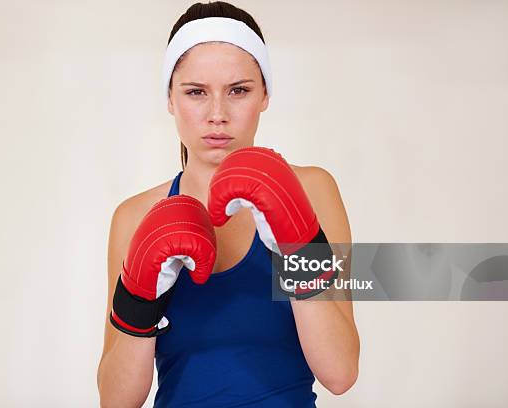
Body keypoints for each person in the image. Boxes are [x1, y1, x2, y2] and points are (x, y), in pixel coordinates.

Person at [97, 2, 359, 407]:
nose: (217, 114)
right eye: (196, 92)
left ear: (265, 94)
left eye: (238, 90)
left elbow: (340, 373)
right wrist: (138, 301)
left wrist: (299, 248)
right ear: (170, 98)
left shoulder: (312, 189)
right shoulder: (133, 217)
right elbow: (116, 401)